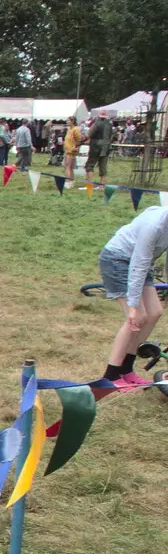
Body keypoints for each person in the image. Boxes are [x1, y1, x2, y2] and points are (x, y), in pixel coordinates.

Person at [95, 205, 168, 389]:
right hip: (117, 259)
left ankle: (126, 369)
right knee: (138, 317)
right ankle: (110, 375)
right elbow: (138, 263)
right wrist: (134, 305)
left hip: (141, 262)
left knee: (155, 312)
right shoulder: (155, 226)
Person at [87, 111, 112, 183]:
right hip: (106, 147)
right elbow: (111, 136)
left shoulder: (96, 124)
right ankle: (102, 186)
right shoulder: (110, 125)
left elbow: (89, 134)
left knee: (90, 165)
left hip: (96, 146)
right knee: (103, 167)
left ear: (99, 116)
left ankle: (90, 184)